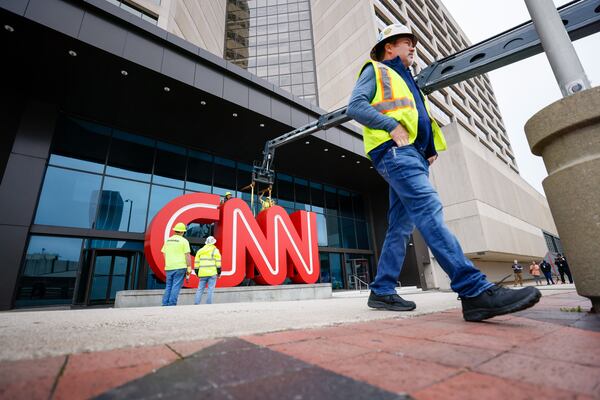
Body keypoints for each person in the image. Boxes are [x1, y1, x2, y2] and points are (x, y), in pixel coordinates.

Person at [346, 23, 541, 322]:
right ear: (389, 47)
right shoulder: (376, 70)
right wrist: (391, 126)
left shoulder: (408, 80)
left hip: (412, 155)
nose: (413, 47)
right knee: (429, 209)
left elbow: (418, 117)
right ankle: (473, 290)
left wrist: (428, 147)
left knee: (399, 226)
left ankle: (382, 290)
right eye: (407, 42)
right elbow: (355, 106)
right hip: (395, 151)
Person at [161, 222, 192, 306]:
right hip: (180, 267)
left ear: (175, 231)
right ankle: (171, 304)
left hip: (169, 267)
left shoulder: (168, 240)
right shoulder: (184, 241)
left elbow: (163, 253)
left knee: (168, 286)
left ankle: (165, 303)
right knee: (176, 286)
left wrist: (169, 261)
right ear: (182, 232)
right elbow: (187, 255)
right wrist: (189, 266)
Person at [194, 236, 222, 305]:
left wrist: (197, 272)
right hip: (212, 273)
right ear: (213, 243)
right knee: (210, 289)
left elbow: (196, 263)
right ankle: (208, 304)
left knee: (200, 289)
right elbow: (218, 263)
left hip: (202, 273)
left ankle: (196, 303)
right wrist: (219, 272)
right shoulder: (215, 250)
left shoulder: (200, 251)